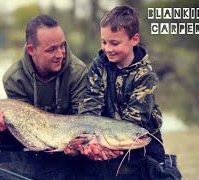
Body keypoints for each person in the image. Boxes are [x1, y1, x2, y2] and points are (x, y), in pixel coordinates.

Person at [0, 15, 121, 179]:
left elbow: (84, 120)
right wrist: (3, 128)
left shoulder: (79, 72)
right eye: (51, 49)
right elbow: (23, 130)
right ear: (31, 50)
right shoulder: (13, 78)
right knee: (4, 126)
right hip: (34, 137)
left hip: (68, 142)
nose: (60, 54)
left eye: (62, 46)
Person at [78, 5, 182, 179]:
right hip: (106, 135)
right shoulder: (98, 66)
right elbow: (90, 104)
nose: (107, 48)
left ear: (134, 40)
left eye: (114, 43)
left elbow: (131, 124)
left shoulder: (145, 76)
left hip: (141, 140)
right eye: (104, 42)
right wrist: (91, 141)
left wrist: (105, 146)